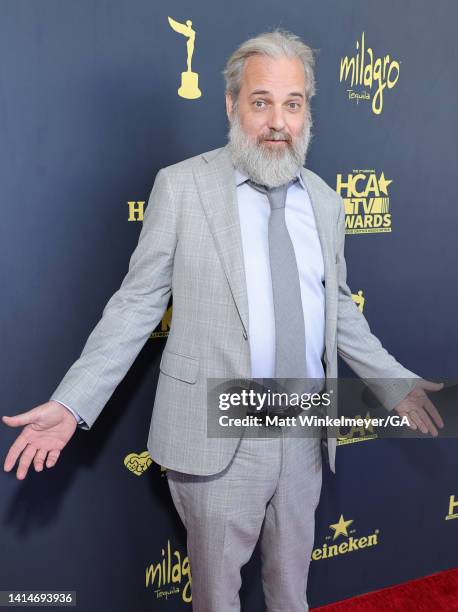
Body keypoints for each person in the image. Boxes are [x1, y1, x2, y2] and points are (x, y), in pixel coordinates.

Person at [2, 29, 443, 612]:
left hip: (305, 428)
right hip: (218, 428)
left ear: (308, 109)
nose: (278, 122)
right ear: (232, 105)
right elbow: (135, 306)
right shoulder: (182, 187)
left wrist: (394, 381)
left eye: (293, 103)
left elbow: (338, 312)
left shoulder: (327, 202)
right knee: (216, 597)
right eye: (261, 102)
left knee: (291, 590)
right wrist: (72, 402)